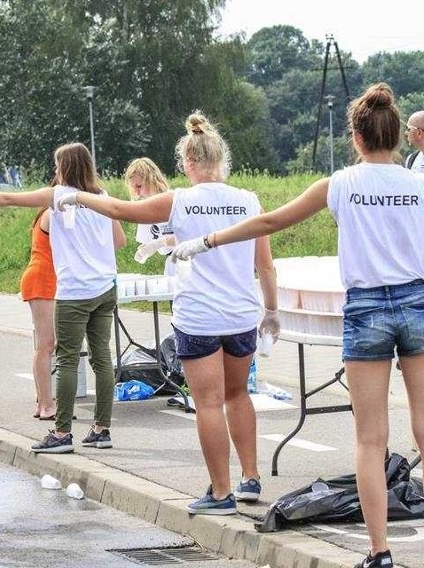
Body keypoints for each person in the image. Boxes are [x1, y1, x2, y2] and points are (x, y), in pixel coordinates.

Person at [173, 85, 424, 568]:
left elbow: (268, 223)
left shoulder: (341, 184)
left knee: (371, 439)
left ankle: (380, 553)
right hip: (417, 302)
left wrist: (207, 240)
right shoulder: (418, 184)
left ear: (355, 136)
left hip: (367, 308)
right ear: (396, 135)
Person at [60, 112, 279, 516]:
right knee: (238, 395)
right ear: (222, 160)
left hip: (199, 315)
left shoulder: (179, 200)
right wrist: (273, 310)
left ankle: (220, 491)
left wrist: (76, 196)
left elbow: (122, 210)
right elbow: (264, 264)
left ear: (188, 164)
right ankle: (251, 477)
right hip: (241, 313)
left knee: (208, 403)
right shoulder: (248, 200)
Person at [0, 142, 127, 454]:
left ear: (66, 169)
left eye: (58, 166)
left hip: (74, 290)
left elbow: (6, 198)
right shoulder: (103, 198)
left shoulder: (57, 197)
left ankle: (61, 433)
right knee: (102, 356)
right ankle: (102, 428)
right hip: (105, 286)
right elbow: (120, 241)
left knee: (68, 358)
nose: (55, 172)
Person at [18, 206, 57, 420]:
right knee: (46, 344)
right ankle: (46, 405)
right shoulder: (52, 213)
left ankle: (43, 402)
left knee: (46, 344)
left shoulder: (48, 212)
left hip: (46, 278)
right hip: (42, 278)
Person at [124, 157, 175, 271]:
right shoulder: (144, 208)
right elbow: (148, 241)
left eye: (139, 186)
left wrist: (160, 243)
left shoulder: (174, 201)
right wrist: (144, 250)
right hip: (171, 263)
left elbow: (190, 236)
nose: (136, 191)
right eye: (133, 187)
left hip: (189, 260)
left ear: (152, 180)